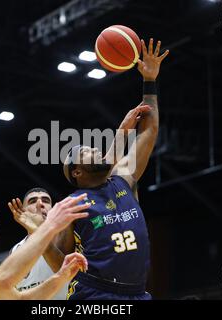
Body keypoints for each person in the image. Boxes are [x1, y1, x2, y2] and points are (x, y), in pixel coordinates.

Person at [58, 39, 169, 300]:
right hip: (95, 293)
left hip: (138, 292)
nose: (95, 150)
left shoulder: (123, 180)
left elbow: (149, 131)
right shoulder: (71, 205)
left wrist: (149, 82)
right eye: (86, 152)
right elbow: (59, 258)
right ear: (77, 172)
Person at [7, 187, 69, 300]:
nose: (40, 204)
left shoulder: (63, 235)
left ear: (52, 209)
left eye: (46, 201)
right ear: (23, 210)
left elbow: (64, 272)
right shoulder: (16, 249)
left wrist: (38, 232)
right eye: (32, 201)